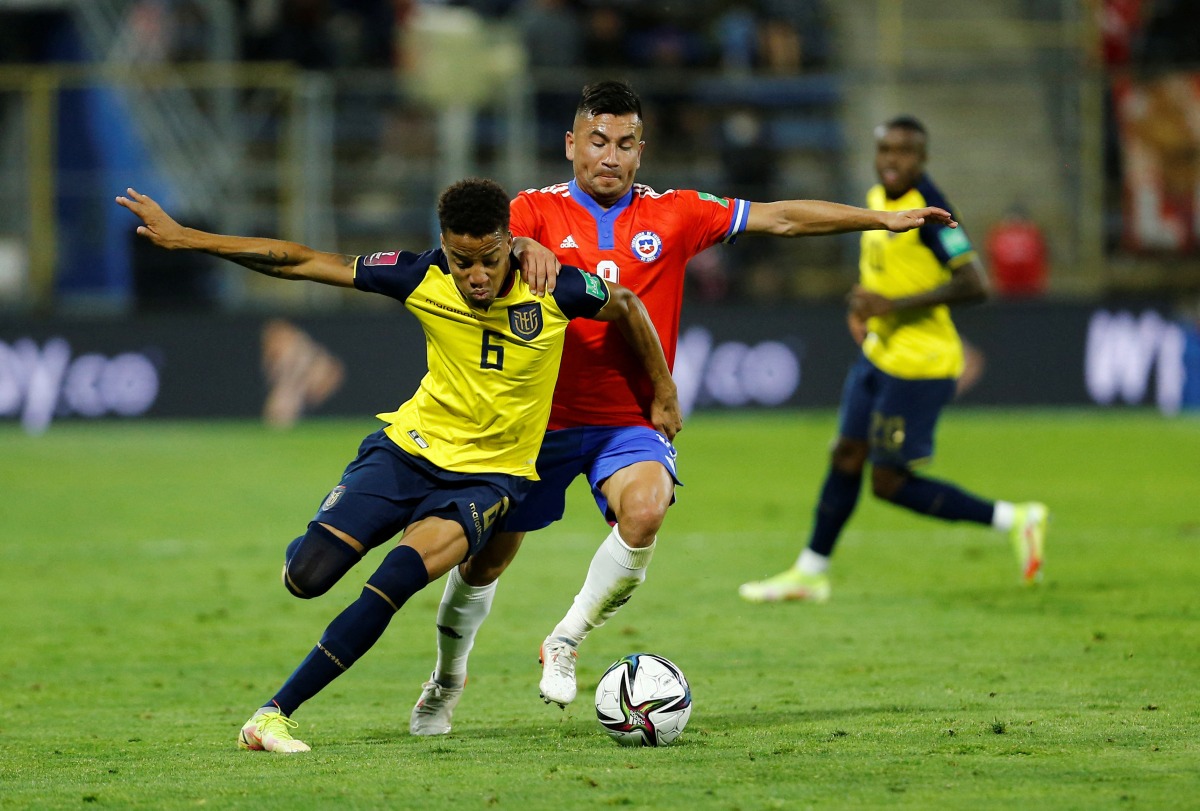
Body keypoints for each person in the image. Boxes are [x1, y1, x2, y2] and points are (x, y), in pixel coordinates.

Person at [409, 81, 960, 736]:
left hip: (629, 420)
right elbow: (485, 249)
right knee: (484, 563)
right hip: (537, 421)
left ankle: (566, 638)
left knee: (647, 510)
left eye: (625, 144)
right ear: (571, 144)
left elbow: (781, 217)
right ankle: (446, 680)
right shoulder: (531, 210)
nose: (610, 156)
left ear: (641, 151)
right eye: (597, 141)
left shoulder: (675, 213)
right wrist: (525, 247)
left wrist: (880, 219)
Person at [115, 177, 679, 752]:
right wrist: (188, 238)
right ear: (444, 247)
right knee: (306, 577)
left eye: (488, 260)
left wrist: (663, 390)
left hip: (488, 481)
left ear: (510, 244)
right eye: (462, 262)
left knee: (393, 582)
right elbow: (302, 261)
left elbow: (628, 305)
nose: (476, 276)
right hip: (407, 452)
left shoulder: (555, 287)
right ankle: (325, 542)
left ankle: (272, 715)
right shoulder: (420, 275)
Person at [738, 116, 1049, 605]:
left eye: (904, 152)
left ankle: (1016, 519)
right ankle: (810, 573)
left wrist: (892, 307)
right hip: (879, 354)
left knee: (888, 483)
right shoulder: (878, 199)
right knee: (845, 454)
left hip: (920, 364)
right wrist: (862, 305)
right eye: (885, 150)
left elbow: (974, 284)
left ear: (922, 159)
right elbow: (881, 272)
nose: (891, 160)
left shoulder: (933, 212)